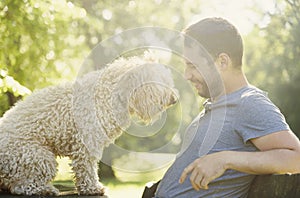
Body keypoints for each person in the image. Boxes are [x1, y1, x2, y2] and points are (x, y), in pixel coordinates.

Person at [151, 17, 300, 197]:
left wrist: (226, 159)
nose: (186, 75)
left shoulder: (249, 103)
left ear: (222, 62)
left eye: (193, 66)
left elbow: (296, 158)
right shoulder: (218, 104)